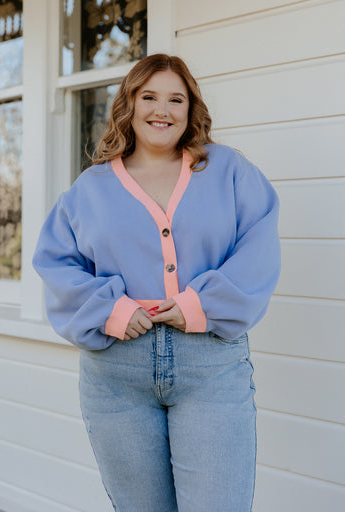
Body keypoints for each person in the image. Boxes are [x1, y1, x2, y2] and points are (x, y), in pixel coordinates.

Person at [33, 54, 281, 512]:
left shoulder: (229, 171)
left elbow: (258, 249)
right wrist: (111, 311)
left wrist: (201, 304)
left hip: (210, 365)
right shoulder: (90, 188)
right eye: (148, 96)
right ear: (129, 104)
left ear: (191, 109)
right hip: (116, 374)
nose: (161, 110)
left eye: (175, 98)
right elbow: (56, 262)